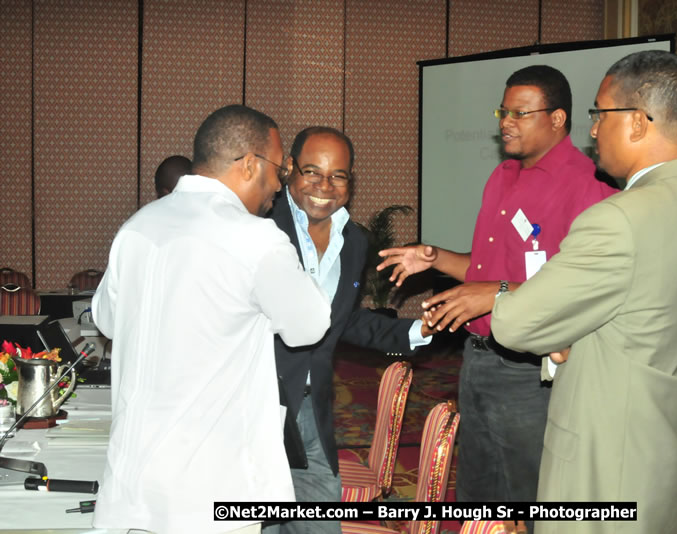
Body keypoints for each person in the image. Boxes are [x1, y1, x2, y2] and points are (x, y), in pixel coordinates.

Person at [491, 51, 677, 533]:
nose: (594, 130)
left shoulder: (618, 218)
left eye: (601, 114)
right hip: (673, 449)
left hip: (605, 463)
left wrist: (555, 331)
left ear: (639, 122)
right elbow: (645, 317)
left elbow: (513, 323)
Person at [377, 65, 618, 505]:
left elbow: (585, 290)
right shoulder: (503, 175)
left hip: (530, 370)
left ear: (557, 118)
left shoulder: (588, 186)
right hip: (478, 358)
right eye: (503, 112)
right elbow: (484, 272)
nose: (506, 122)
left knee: (533, 495)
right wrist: (434, 257)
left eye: (520, 113)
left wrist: (497, 292)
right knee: (477, 490)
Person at [91, 105, 331, 534]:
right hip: (213, 485)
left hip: (133, 482)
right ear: (250, 165)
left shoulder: (137, 228)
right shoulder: (256, 239)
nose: (281, 185)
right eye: (280, 169)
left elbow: (107, 322)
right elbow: (308, 326)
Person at [267, 126, 432, 534]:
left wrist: (419, 329)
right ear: (289, 168)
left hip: (312, 410)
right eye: (312, 171)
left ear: (350, 180)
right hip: (257, 408)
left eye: (337, 175)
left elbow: (341, 321)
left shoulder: (354, 241)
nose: (324, 186)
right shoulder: (261, 225)